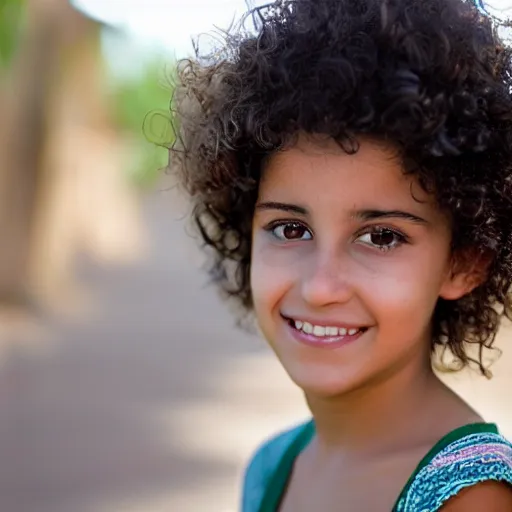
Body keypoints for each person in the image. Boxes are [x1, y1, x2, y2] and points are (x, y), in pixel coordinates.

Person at [168, 0, 512, 509]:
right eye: (290, 228)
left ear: (465, 261)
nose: (320, 286)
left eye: (381, 237)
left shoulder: (473, 496)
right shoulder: (271, 467)